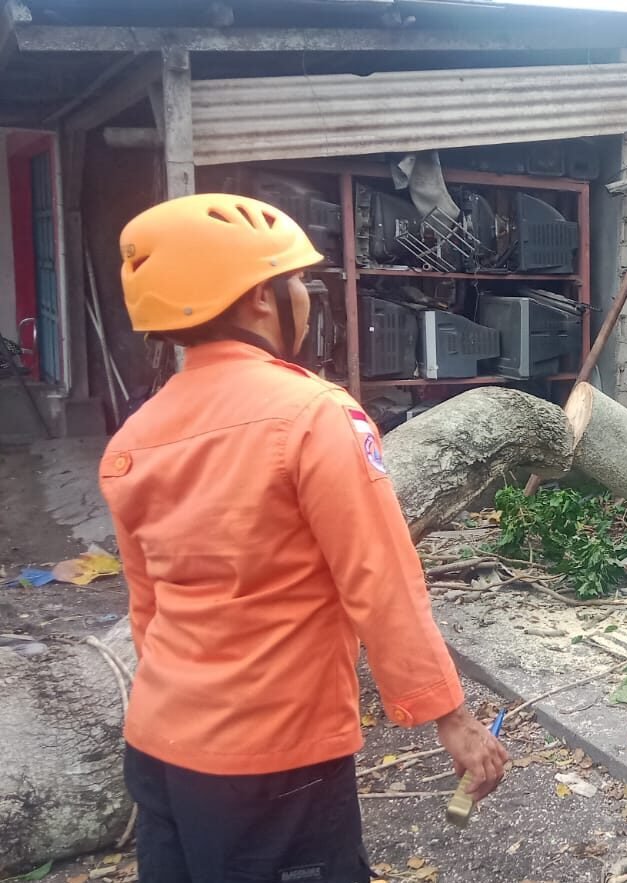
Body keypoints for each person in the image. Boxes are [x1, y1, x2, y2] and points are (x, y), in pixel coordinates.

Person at [100, 194, 508, 882]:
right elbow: (380, 579)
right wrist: (451, 717)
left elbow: (148, 611)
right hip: (274, 760)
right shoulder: (314, 415)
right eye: (296, 282)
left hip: (159, 747)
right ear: (262, 297)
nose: (306, 301)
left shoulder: (132, 441)